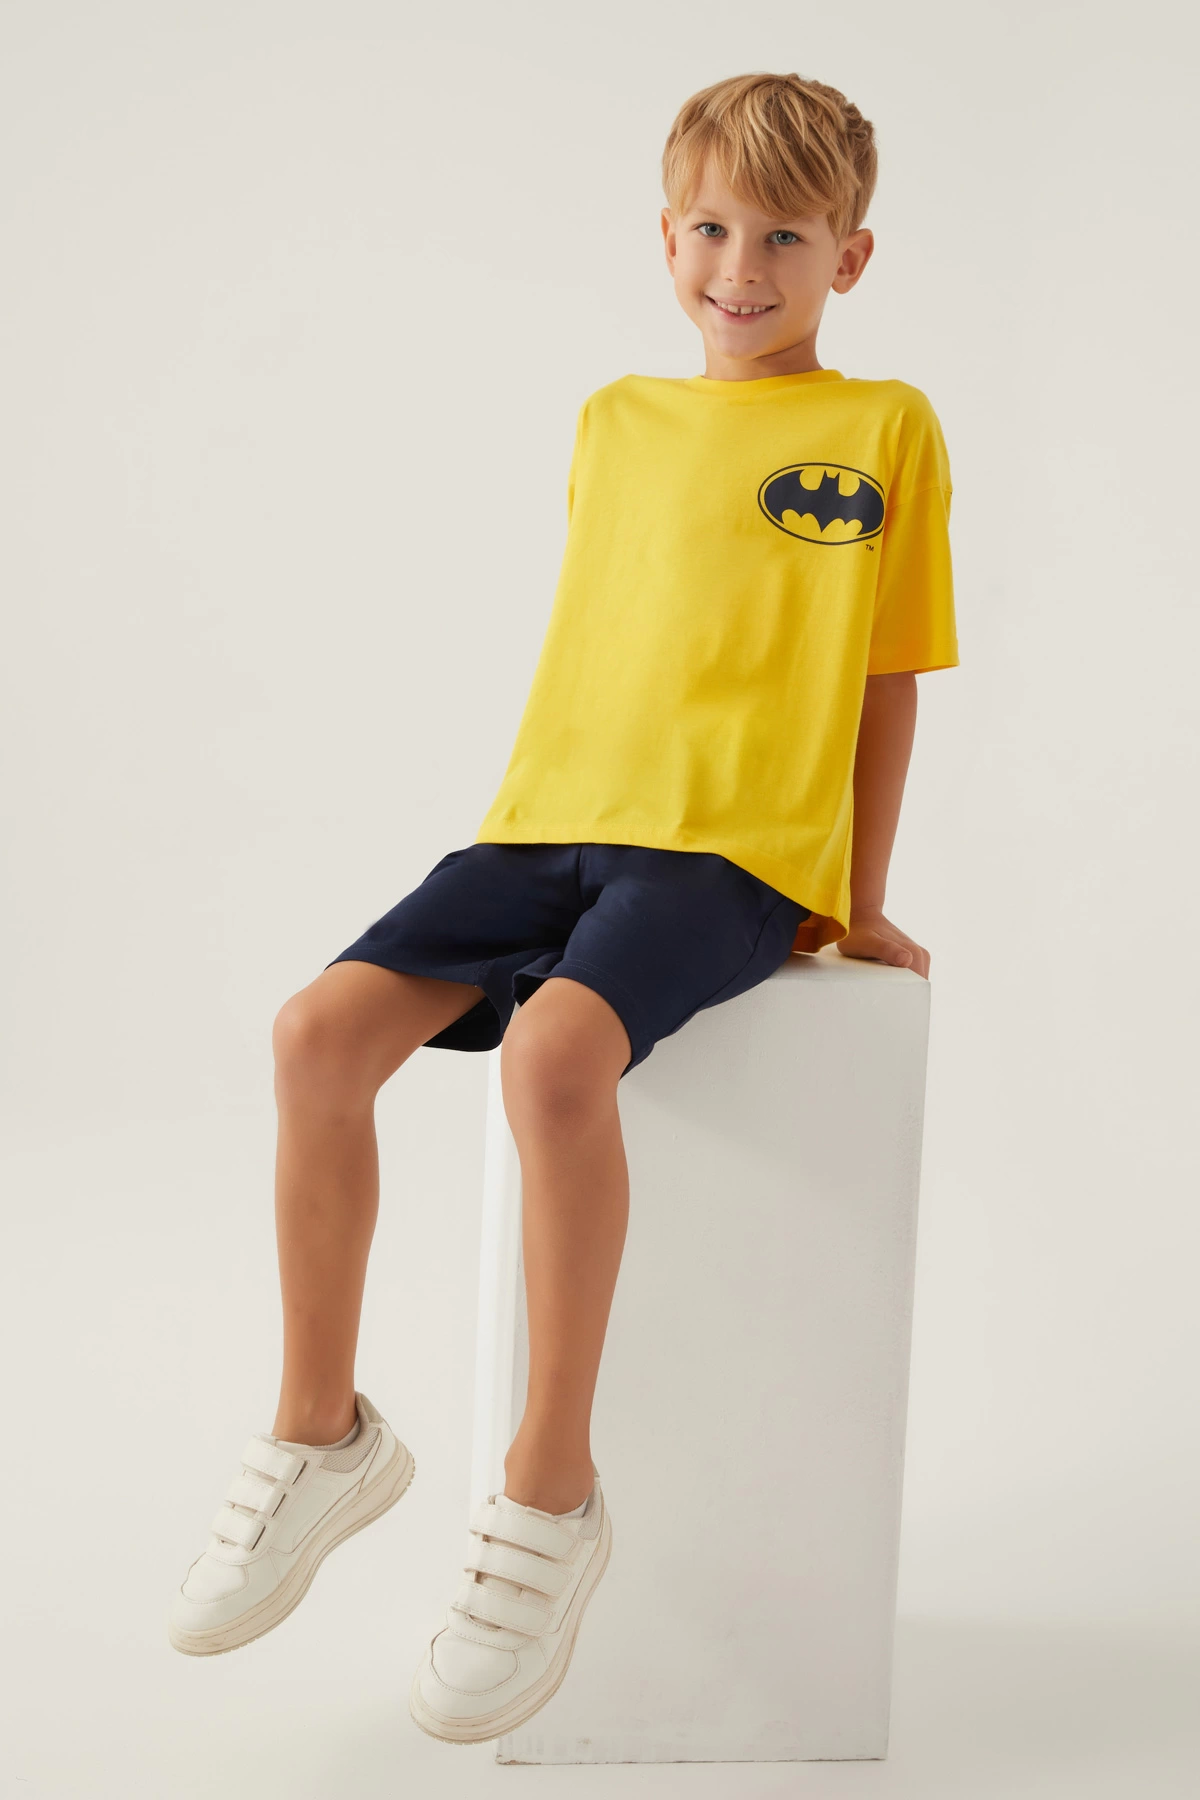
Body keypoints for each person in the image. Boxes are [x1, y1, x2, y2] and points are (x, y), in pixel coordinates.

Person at [167, 70, 958, 1743]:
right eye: (713, 229)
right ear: (667, 238)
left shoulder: (884, 427)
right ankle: (322, 1430)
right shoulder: (612, 419)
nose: (741, 267)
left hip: (728, 853)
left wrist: (857, 896)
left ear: (851, 258)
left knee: (551, 1059)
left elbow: (885, 675)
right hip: (545, 825)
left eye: (786, 238)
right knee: (315, 1035)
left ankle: (548, 1485)